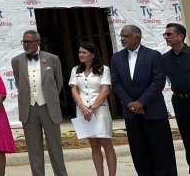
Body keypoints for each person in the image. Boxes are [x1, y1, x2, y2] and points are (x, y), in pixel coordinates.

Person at [111, 24, 177, 176]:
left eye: (126, 36)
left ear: (137, 37)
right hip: (132, 114)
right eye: (121, 36)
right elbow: (116, 83)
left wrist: (141, 102)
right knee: (140, 153)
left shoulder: (153, 55)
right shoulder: (117, 57)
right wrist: (130, 103)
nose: (122, 39)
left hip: (153, 112)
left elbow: (158, 81)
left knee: (162, 152)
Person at [11, 30, 68, 176]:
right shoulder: (17, 60)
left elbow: (58, 83)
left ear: (38, 42)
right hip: (29, 109)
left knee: (55, 147)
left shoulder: (52, 59)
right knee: (34, 148)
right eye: (24, 41)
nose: (26, 44)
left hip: (48, 107)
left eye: (29, 41)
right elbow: (20, 82)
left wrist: (49, 97)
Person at [69, 42, 116, 176]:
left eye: (84, 52)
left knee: (106, 143)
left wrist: (91, 108)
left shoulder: (103, 69)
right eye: (79, 52)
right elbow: (74, 89)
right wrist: (82, 106)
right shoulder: (75, 70)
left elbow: (105, 90)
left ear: (93, 55)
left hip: (100, 110)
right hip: (83, 111)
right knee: (94, 145)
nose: (81, 55)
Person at [164, 23, 190, 174]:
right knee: (187, 137)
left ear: (180, 36)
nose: (166, 37)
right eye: (165, 35)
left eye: (169, 34)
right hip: (179, 101)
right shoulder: (164, 59)